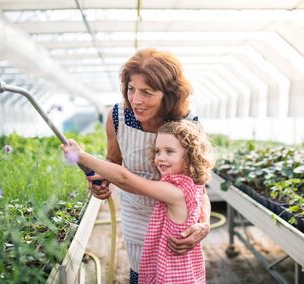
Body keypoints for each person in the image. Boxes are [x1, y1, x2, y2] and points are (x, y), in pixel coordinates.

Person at [86, 48, 211, 282]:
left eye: (147, 92)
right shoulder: (118, 117)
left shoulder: (187, 124)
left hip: (177, 222)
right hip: (137, 215)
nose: (136, 100)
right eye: (131, 89)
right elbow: (113, 161)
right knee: (141, 273)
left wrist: (203, 223)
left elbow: (198, 184)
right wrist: (101, 184)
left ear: (169, 95)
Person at [61, 120, 214, 283]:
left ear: (190, 156)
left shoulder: (175, 192)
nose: (161, 158)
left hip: (172, 276)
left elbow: (124, 178)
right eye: (157, 151)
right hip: (184, 270)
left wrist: (81, 156)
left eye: (169, 151)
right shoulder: (192, 184)